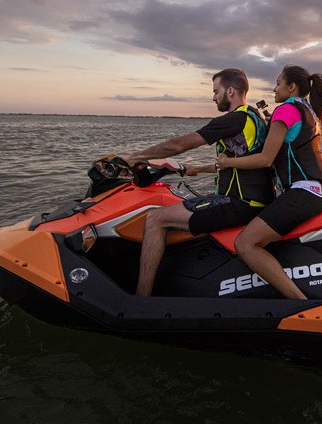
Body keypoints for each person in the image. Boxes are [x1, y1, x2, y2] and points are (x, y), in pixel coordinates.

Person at [116, 68, 273, 296]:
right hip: (255, 200)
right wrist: (197, 169)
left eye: (216, 91)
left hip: (238, 203)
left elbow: (178, 145)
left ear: (230, 91)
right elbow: (237, 163)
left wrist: (134, 157)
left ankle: (141, 298)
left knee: (155, 219)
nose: (213, 97)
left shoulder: (233, 119)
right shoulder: (254, 118)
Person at [216, 65, 322, 300]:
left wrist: (228, 163)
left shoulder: (286, 110)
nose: (273, 89)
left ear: (291, 87)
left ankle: (300, 304)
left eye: (278, 83)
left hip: (303, 193)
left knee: (245, 243)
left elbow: (265, 159)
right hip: (316, 191)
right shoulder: (308, 111)